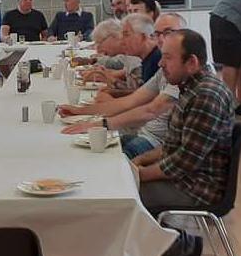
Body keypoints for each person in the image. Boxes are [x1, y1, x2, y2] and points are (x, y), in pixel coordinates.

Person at [133, 29, 234, 256]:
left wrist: (138, 175)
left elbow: (182, 163)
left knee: (124, 196)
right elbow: (175, 145)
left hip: (196, 187)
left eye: (168, 57)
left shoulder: (205, 95)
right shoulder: (190, 87)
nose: (160, 63)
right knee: (123, 183)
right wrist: (139, 161)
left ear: (192, 62)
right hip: (188, 178)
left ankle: (180, 249)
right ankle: (174, 247)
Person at [59, 14, 187, 160]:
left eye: (169, 33)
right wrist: (79, 111)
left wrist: (100, 123)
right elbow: (131, 100)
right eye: (158, 34)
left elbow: (149, 110)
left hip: (157, 144)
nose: (161, 39)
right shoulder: (162, 67)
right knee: (83, 150)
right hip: (144, 134)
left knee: (102, 158)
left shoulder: (179, 68)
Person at [121, 13, 161, 83]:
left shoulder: (157, 60)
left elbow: (149, 93)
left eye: (126, 35)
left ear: (143, 36)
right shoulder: (148, 58)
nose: (122, 41)